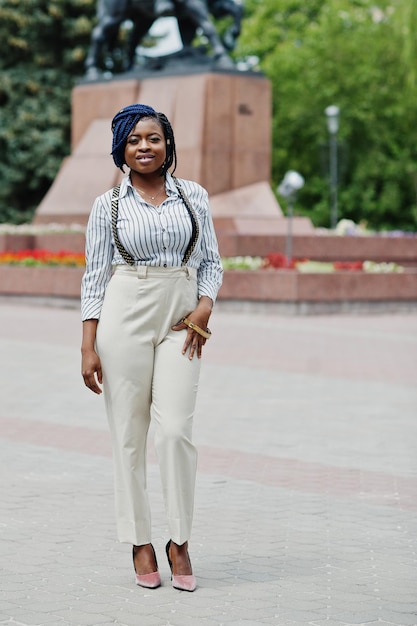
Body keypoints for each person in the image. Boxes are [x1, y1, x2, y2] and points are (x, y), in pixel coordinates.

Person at [81, 103, 223, 592]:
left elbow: (213, 261)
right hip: (125, 311)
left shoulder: (194, 196)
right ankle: (140, 538)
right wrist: (87, 346)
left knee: (176, 432)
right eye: (135, 139)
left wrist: (205, 306)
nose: (145, 146)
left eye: (154, 138)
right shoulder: (110, 205)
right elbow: (95, 276)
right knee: (128, 434)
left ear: (168, 145)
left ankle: (178, 539)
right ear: (121, 147)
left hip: (183, 317)